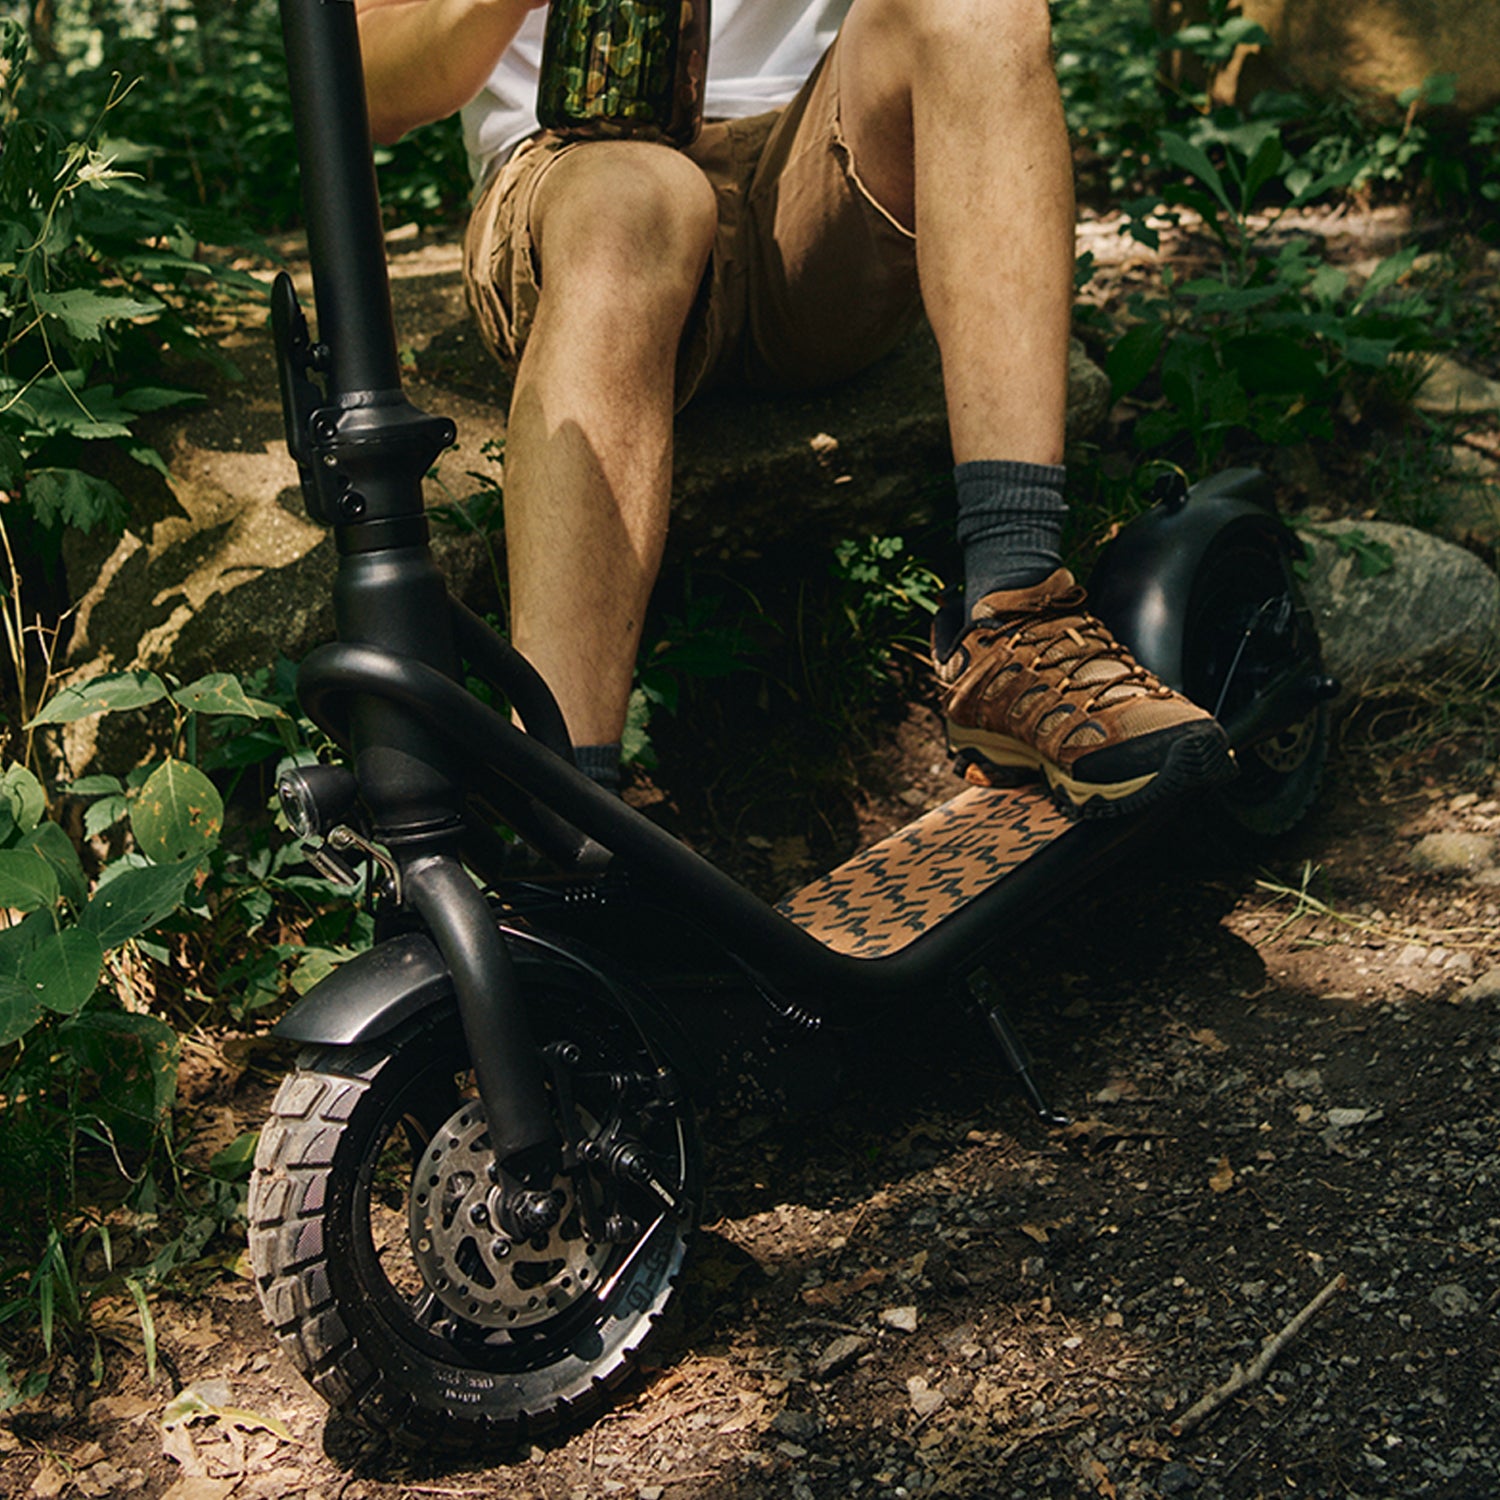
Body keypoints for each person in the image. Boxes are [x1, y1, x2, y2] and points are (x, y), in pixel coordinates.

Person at [351, 0, 1234, 818]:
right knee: (634, 199)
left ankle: (1017, 618)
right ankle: (563, 798)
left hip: (818, 179)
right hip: (570, 176)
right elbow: (367, 78)